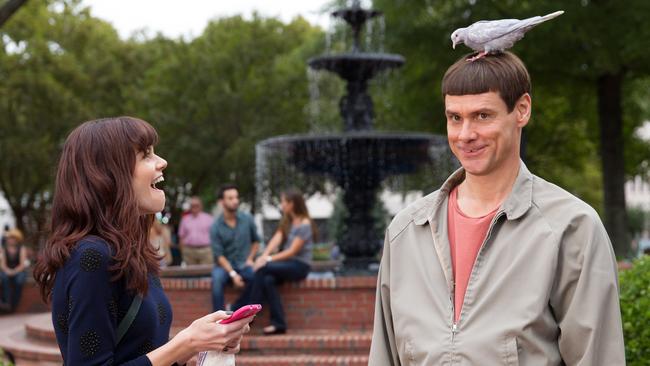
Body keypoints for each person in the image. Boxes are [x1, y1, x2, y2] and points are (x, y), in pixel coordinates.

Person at [369, 52, 625, 365]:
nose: (465, 135)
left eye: (482, 116)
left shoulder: (571, 228)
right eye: (455, 118)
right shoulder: (405, 232)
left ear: (522, 110)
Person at [33, 117, 254, 365]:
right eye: (146, 155)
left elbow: (139, 352)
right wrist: (187, 342)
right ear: (107, 176)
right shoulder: (91, 256)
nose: (162, 162)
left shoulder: (132, 253)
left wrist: (201, 343)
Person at [251, 189, 317, 335]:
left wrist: (267, 260)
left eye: (283, 202)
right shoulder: (288, 221)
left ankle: (249, 312)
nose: (281, 205)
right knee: (268, 280)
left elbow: (292, 251)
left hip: (300, 266)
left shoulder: (305, 224)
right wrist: (264, 255)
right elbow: (276, 239)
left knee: (263, 269)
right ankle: (279, 324)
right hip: (288, 264)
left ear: (292, 204)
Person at [210, 184, 261, 312]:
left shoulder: (247, 219)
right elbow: (219, 255)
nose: (235, 201)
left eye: (236, 197)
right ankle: (219, 320)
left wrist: (250, 259)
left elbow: (256, 241)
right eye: (230, 198)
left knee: (258, 277)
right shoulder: (215, 226)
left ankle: (236, 309)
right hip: (224, 267)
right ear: (222, 202)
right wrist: (233, 274)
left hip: (244, 264)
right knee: (216, 281)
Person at [178, 197, 214, 265]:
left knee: (205, 273)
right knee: (190, 273)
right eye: (192, 205)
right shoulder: (185, 219)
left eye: (197, 205)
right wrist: (183, 251)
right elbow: (181, 236)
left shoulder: (209, 218)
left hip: (206, 251)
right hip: (189, 251)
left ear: (201, 206)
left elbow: (214, 236)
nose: (195, 207)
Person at [0, 228, 28, 311]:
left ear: (17, 239)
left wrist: (14, 271)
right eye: (9, 238)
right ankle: (7, 302)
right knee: (4, 278)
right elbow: (3, 264)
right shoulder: (4, 249)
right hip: (7, 270)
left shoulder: (22, 248)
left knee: (19, 281)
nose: (11, 240)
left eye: (13, 238)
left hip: (19, 270)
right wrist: (7, 271)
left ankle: (15, 303)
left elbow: (22, 265)